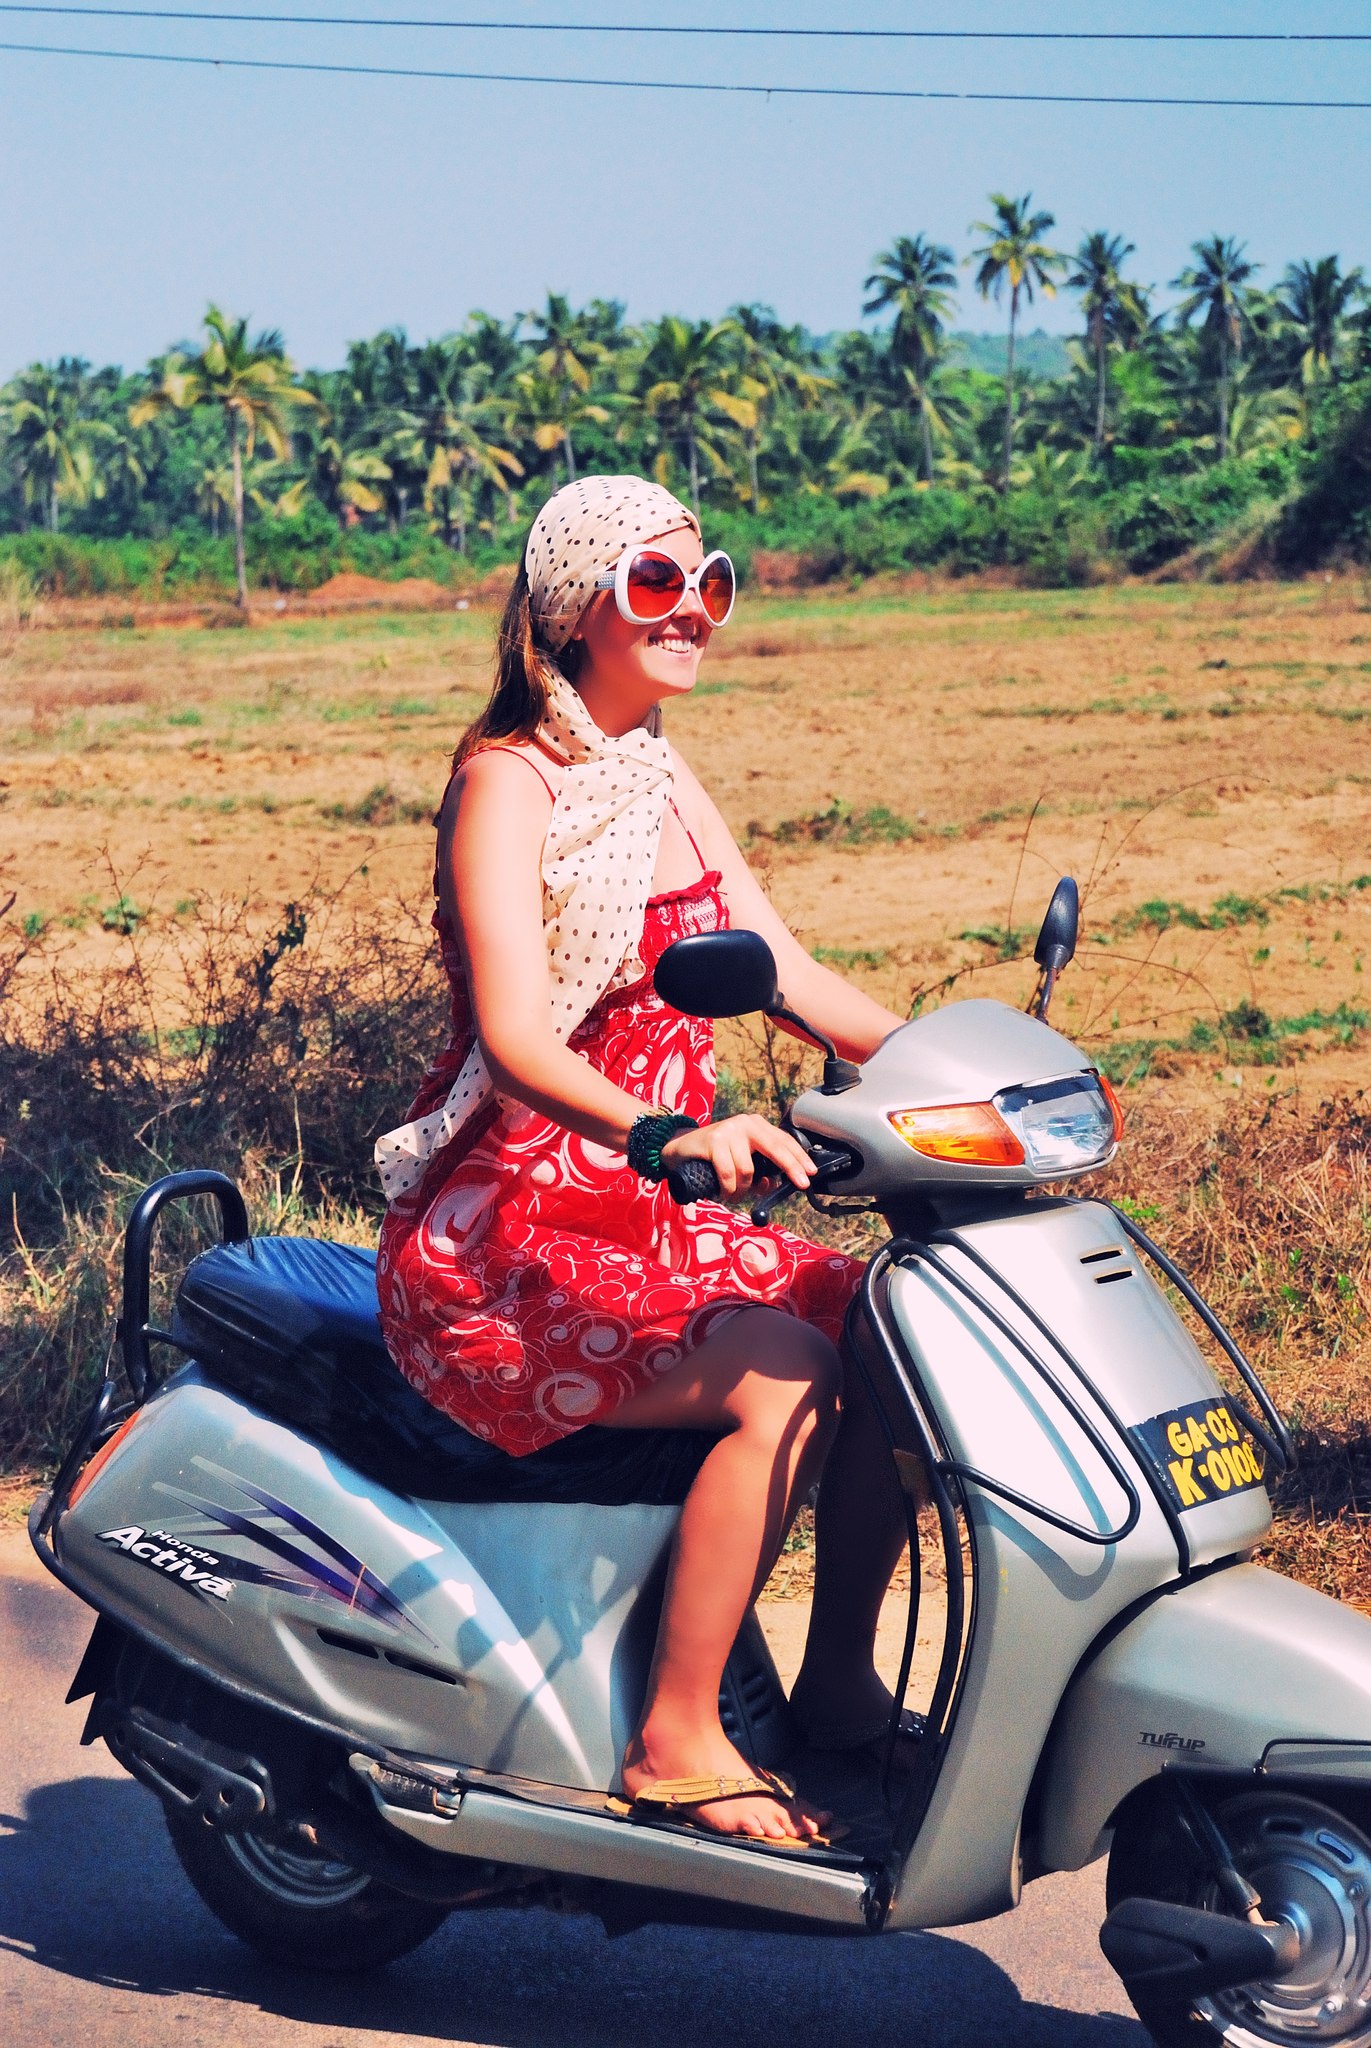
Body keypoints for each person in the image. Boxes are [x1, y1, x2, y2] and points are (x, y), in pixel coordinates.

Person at [376, 475, 913, 1846]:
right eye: (657, 583)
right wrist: (673, 1133)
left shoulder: (656, 773)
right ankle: (677, 1736)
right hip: (508, 1240)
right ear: (575, 610)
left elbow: (782, 969)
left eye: (709, 581)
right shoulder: (508, 783)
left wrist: (966, 1068)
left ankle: (838, 1684)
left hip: (647, 1218)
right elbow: (514, 1040)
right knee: (786, 1373)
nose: (693, 612)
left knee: (901, 1332)